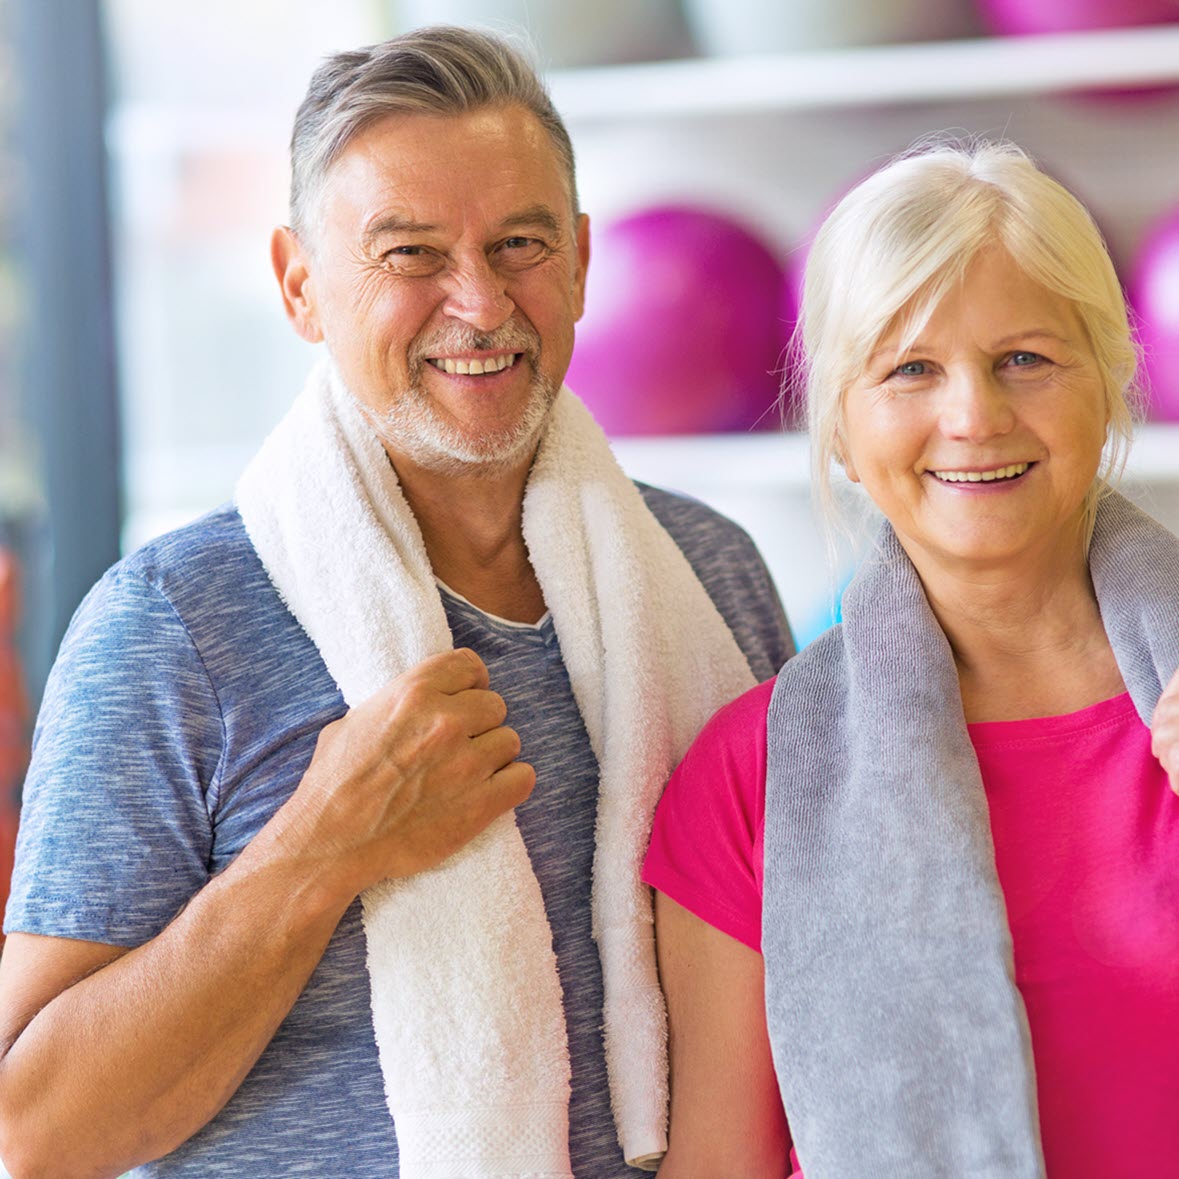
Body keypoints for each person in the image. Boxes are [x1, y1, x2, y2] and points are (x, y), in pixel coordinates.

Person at [0, 27, 792, 1179]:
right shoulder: (171, 626)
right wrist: (322, 848)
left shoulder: (711, 574)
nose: (478, 303)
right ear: (300, 285)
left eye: (518, 244)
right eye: (410, 253)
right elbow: (33, 1127)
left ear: (577, 261)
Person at [643, 138, 1179, 1179]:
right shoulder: (754, 775)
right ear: (841, 425)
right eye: (911, 370)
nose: (973, 415)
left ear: (1110, 382)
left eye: (1024, 357)